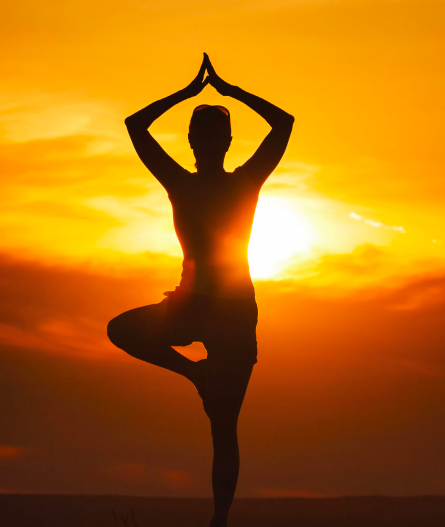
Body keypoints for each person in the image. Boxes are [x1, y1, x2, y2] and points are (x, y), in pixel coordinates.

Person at [107, 53, 294, 527]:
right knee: (224, 431)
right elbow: (283, 123)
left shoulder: (188, 182)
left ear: (199, 141)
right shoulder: (237, 182)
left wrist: (191, 94)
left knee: (124, 331)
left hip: (206, 309)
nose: (208, 143)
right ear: (219, 142)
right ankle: (219, 519)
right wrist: (227, 92)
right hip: (219, 310)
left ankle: (195, 378)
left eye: (209, 136)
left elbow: (136, 125)